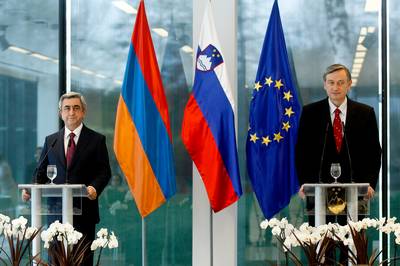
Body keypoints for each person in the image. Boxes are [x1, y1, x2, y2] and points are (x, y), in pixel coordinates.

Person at [295, 63, 382, 262]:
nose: (336, 87)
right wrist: (304, 183)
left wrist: (369, 183)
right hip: (318, 192)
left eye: (341, 83)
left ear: (349, 85)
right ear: (324, 85)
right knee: (321, 248)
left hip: (355, 191)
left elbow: (374, 153)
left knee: (350, 247)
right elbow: (302, 152)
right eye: (331, 83)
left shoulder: (365, 113)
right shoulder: (310, 113)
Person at [22, 91, 111, 266]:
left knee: (82, 262)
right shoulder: (51, 140)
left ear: (83, 111)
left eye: (76, 108)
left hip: (84, 213)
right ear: (60, 113)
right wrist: (30, 189)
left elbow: (104, 171)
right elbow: (40, 172)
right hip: (56, 214)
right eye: (67, 108)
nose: (71, 112)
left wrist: (94, 188)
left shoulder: (96, 140)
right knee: (55, 261)